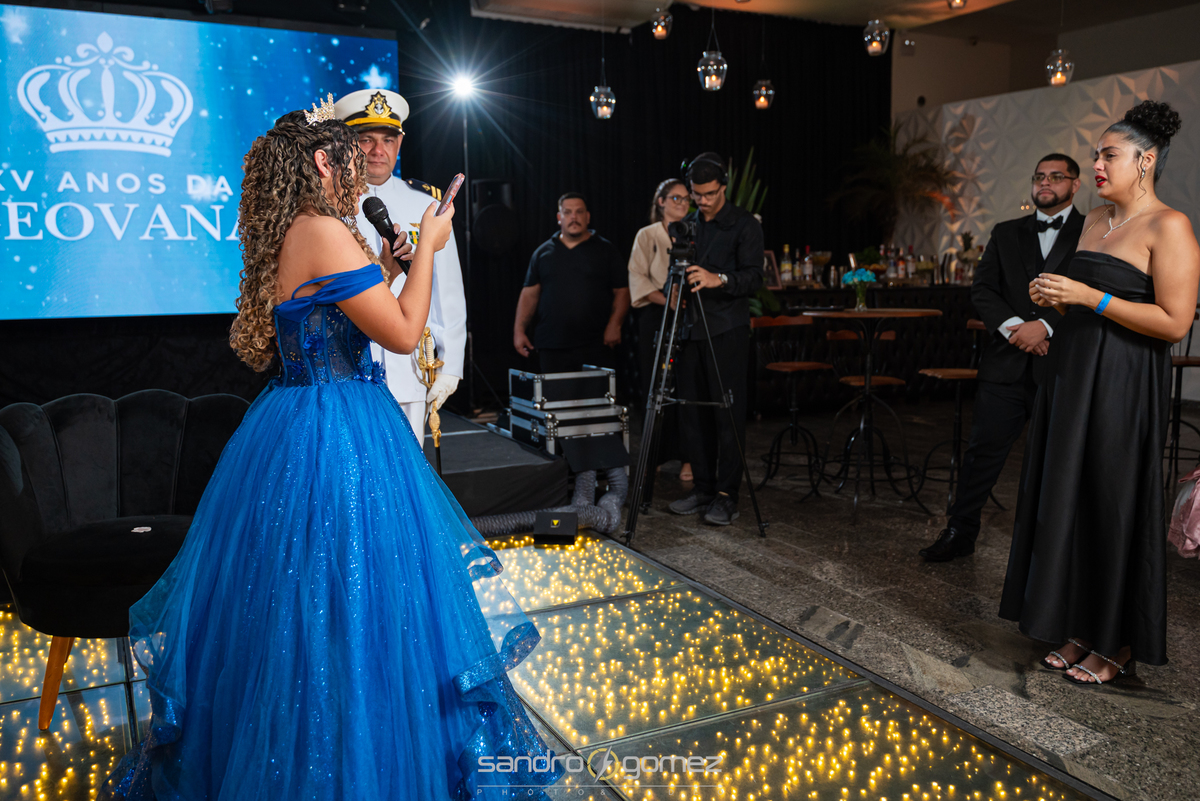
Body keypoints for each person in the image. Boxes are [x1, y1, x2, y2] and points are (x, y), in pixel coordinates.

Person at [99, 107, 560, 799]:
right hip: (339, 432)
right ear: (321, 163)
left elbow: (346, 317)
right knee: (352, 594)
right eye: (348, 155)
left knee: (305, 598)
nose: (359, 167)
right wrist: (431, 247)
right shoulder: (323, 230)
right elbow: (402, 334)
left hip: (296, 422)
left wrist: (387, 266)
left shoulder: (299, 229)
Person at [1003, 100, 1199, 685]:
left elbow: (1175, 323)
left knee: (1112, 503)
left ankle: (1116, 641)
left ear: (1146, 160)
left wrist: (1092, 298)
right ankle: (1079, 626)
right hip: (1072, 377)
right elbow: (1083, 301)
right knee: (1071, 497)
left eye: (1109, 155)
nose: (1096, 165)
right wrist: (1056, 297)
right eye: (1095, 155)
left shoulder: (1170, 226)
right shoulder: (1092, 221)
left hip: (1123, 382)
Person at [919, 154, 1085, 562]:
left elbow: (1092, 293)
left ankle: (1057, 552)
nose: (1045, 182)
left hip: (1063, 367)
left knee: (1061, 462)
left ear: (1076, 184)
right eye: (1039, 176)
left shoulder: (1092, 233)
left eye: (1056, 176)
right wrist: (1017, 329)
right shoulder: (1006, 232)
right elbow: (982, 289)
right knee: (981, 454)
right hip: (1005, 364)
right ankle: (959, 532)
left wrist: (1045, 326)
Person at [334, 88, 467, 441]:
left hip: (411, 367)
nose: (379, 150)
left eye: (388, 140)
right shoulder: (331, 204)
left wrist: (451, 364)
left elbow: (447, 289)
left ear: (400, 143)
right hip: (351, 366)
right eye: (366, 140)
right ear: (348, 144)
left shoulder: (425, 203)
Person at [666, 153, 764, 526]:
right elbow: (676, 270)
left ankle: (727, 495)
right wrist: (674, 289)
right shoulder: (688, 225)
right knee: (693, 412)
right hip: (690, 329)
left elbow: (755, 277)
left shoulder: (744, 225)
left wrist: (717, 279)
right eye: (697, 194)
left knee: (727, 414)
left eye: (709, 194)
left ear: (723, 187)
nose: (703, 200)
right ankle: (703, 488)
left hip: (726, 330)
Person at [512, 193, 630, 373]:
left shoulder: (606, 250)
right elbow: (529, 294)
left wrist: (615, 325)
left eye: (579, 212)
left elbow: (622, 291)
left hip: (596, 344)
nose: (574, 217)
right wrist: (519, 331)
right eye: (567, 212)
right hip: (552, 345)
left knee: (596, 392)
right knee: (555, 392)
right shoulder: (543, 253)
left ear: (588, 217)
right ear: (559, 218)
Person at [628, 178, 693, 481]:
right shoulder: (648, 234)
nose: (682, 203)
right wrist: (667, 300)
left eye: (686, 198)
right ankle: (653, 456)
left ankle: (689, 460)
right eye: (675, 198)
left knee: (687, 388)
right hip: (656, 314)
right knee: (655, 387)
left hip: (690, 315)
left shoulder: (695, 232)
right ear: (661, 201)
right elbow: (637, 277)